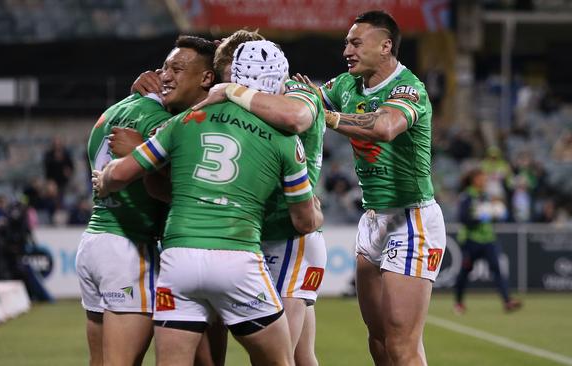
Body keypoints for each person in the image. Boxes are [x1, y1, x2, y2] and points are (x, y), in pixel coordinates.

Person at [92, 39, 323, 366]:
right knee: (282, 360)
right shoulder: (284, 137)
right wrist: (316, 211)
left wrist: (104, 178)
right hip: (238, 257)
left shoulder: (185, 121)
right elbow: (304, 221)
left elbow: (120, 174)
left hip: (179, 259)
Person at [297, 10, 446, 365]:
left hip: (411, 221)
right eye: (346, 42)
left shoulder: (408, 88)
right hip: (373, 218)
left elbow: (385, 126)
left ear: (385, 46)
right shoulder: (347, 85)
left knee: (401, 344)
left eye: (355, 42)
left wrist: (330, 116)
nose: (346, 50)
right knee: (377, 338)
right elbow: (309, 100)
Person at [75, 35, 216, 366]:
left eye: (177, 68)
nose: (167, 75)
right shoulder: (161, 123)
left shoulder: (117, 109)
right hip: (129, 246)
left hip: (95, 240)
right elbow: (187, 188)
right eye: (166, 67)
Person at [191, 30, 327, 365]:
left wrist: (230, 91)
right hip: (263, 236)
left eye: (236, 80)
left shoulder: (297, 93)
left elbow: (295, 117)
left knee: (275, 357)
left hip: (289, 236)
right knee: (299, 355)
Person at [454, 168, 522, 314]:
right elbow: (463, 219)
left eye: (485, 179)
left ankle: (507, 301)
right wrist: (481, 217)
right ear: (474, 180)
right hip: (470, 241)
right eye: (482, 178)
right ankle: (459, 303)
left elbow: (497, 215)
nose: (485, 181)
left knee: (497, 270)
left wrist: (497, 214)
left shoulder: (487, 196)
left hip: (488, 239)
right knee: (464, 273)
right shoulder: (467, 197)